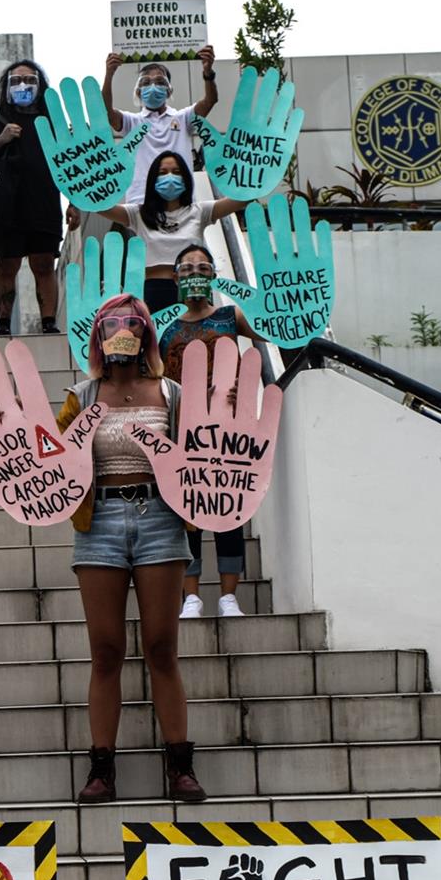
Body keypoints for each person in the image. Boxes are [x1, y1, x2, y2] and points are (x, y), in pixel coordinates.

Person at [54, 296, 205, 804]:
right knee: (105, 650)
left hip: (160, 517)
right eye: (111, 326)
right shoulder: (81, 394)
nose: (122, 334)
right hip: (99, 522)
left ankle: (180, 765)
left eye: (130, 325)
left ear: (145, 335)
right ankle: (102, 770)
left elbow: (197, 455)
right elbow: (54, 460)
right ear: (97, 337)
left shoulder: (171, 393)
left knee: (162, 645)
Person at [158, 242, 267, 620]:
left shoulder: (228, 316)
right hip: (182, 431)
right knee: (188, 509)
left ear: (213, 276)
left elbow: (271, 334)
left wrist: (246, 384)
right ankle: (190, 596)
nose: (194, 275)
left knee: (228, 507)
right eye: (186, 269)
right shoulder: (163, 326)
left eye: (203, 269)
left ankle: (228, 596)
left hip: (229, 429)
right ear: (175, 278)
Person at [70, 150, 248, 313]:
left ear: (186, 179)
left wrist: (258, 171)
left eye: (177, 172)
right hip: (153, 291)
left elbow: (242, 199)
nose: (170, 177)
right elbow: (98, 206)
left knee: (195, 343)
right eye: (162, 173)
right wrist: (76, 191)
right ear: (152, 180)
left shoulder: (201, 211)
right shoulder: (137, 213)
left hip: (194, 288)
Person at [0, 61, 64, 337]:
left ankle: (49, 324)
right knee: (6, 264)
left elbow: (71, 165)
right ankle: (2, 326)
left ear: (40, 85)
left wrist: (77, 206)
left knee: (44, 264)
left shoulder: (53, 124)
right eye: (16, 80)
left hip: (44, 204)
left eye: (29, 80)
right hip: (7, 209)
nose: (23, 85)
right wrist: (0, 139)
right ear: (7, 87)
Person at [99, 48, 220, 204]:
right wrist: (109, 75)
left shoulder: (183, 118)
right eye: (146, 83)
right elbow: (105, 112)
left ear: (169, 91)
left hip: (181, 202)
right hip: (141, 202)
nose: (153, 86)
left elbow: (210, 100)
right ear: (138, 92)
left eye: (160, 82)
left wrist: (208, 73)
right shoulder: (132, 122)